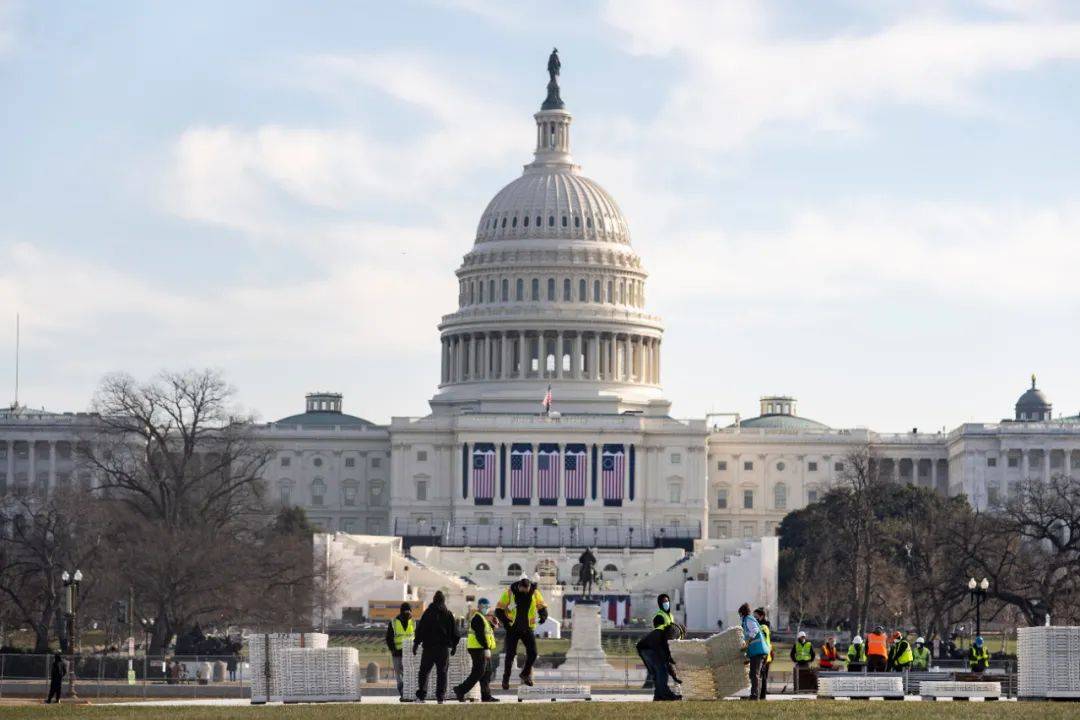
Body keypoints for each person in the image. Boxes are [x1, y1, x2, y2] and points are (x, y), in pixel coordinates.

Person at [495, 575, 547, 689]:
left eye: (527, 590)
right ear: (519, 587)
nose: (525, 592)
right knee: (510, 655)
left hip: (527, 628)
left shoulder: (534, 592)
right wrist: (505, 621)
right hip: (512, 628)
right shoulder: (509, 593)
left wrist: (543, 615)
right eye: (523, 590)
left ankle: (525, 674)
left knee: (533, 653)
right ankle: (505, 679)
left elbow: (541, 606)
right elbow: (498, 610)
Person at [413, 591, 459, 703]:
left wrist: (416, 643)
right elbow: (455, 633)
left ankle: (422, 696)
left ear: (433, 600)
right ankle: (440, 697)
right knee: (442, 673)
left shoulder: (427, 613)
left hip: (428, 648)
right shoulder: (448, 614)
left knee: (424, 672)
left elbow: (420, 630)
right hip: (443, 649)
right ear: (443, 601)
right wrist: (454, 646)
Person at [453, 598, 499, 703]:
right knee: (479, 672)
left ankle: (486, 696)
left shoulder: (483, 619)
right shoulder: (477, 618)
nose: (486, 609)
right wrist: (486, 648)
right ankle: (460, 690)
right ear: (478, 607)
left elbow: (486, 633)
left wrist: (493, 625)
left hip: (481, 648)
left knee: (487, 672)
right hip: (478, 648)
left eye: (487, 607)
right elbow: (480, 635)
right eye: (483, 607)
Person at [636, 623, 681, 701]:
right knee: (662, 671)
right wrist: (674, 677)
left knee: (657, 674)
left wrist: (675, 677)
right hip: (648, 649)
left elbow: (667, 659)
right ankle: (666, 695)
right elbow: (666, 661)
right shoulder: (661, 637)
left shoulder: (664, 635)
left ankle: (658, 696)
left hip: (644, 649)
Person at [739, 602, 770, 701]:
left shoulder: (748, 619)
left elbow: (755, 630)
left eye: (740, 614)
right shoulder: (746, 621)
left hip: (758, 651)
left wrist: (748, 642)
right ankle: (754, 694)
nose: (739, 616)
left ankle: (754, 695)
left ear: (742, 613)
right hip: (754, 651)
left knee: (755, 673)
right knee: (753, 673)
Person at [644, 594, 675, 689]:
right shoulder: (659, 616)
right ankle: (650, 684)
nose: (666, 603)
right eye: (664, 601)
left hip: (668, 644)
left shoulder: (670, 615)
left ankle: (652, 684)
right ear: (660, 603)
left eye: (667, 601)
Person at [385, 601, 415, 699]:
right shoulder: (394, 622)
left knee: (409, 673)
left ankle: (408, 693)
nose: (408, 613)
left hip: (410, 654)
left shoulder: (413, 622)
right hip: (397, 653)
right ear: (402, 612)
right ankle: (402, 692)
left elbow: (416, 637)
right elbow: (389, 638)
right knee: (399, 674)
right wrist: (393, 649)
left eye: (409, 611)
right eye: (406, 611)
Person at [753, 608, 774, 699]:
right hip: (764, 652)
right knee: (762, 674)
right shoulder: (760, 624)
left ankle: (762, 695)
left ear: (761, 616)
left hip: (764, 653)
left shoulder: (764, 625)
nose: (754, 617)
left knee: (763, 675)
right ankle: (761, 695)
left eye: (756, 616)